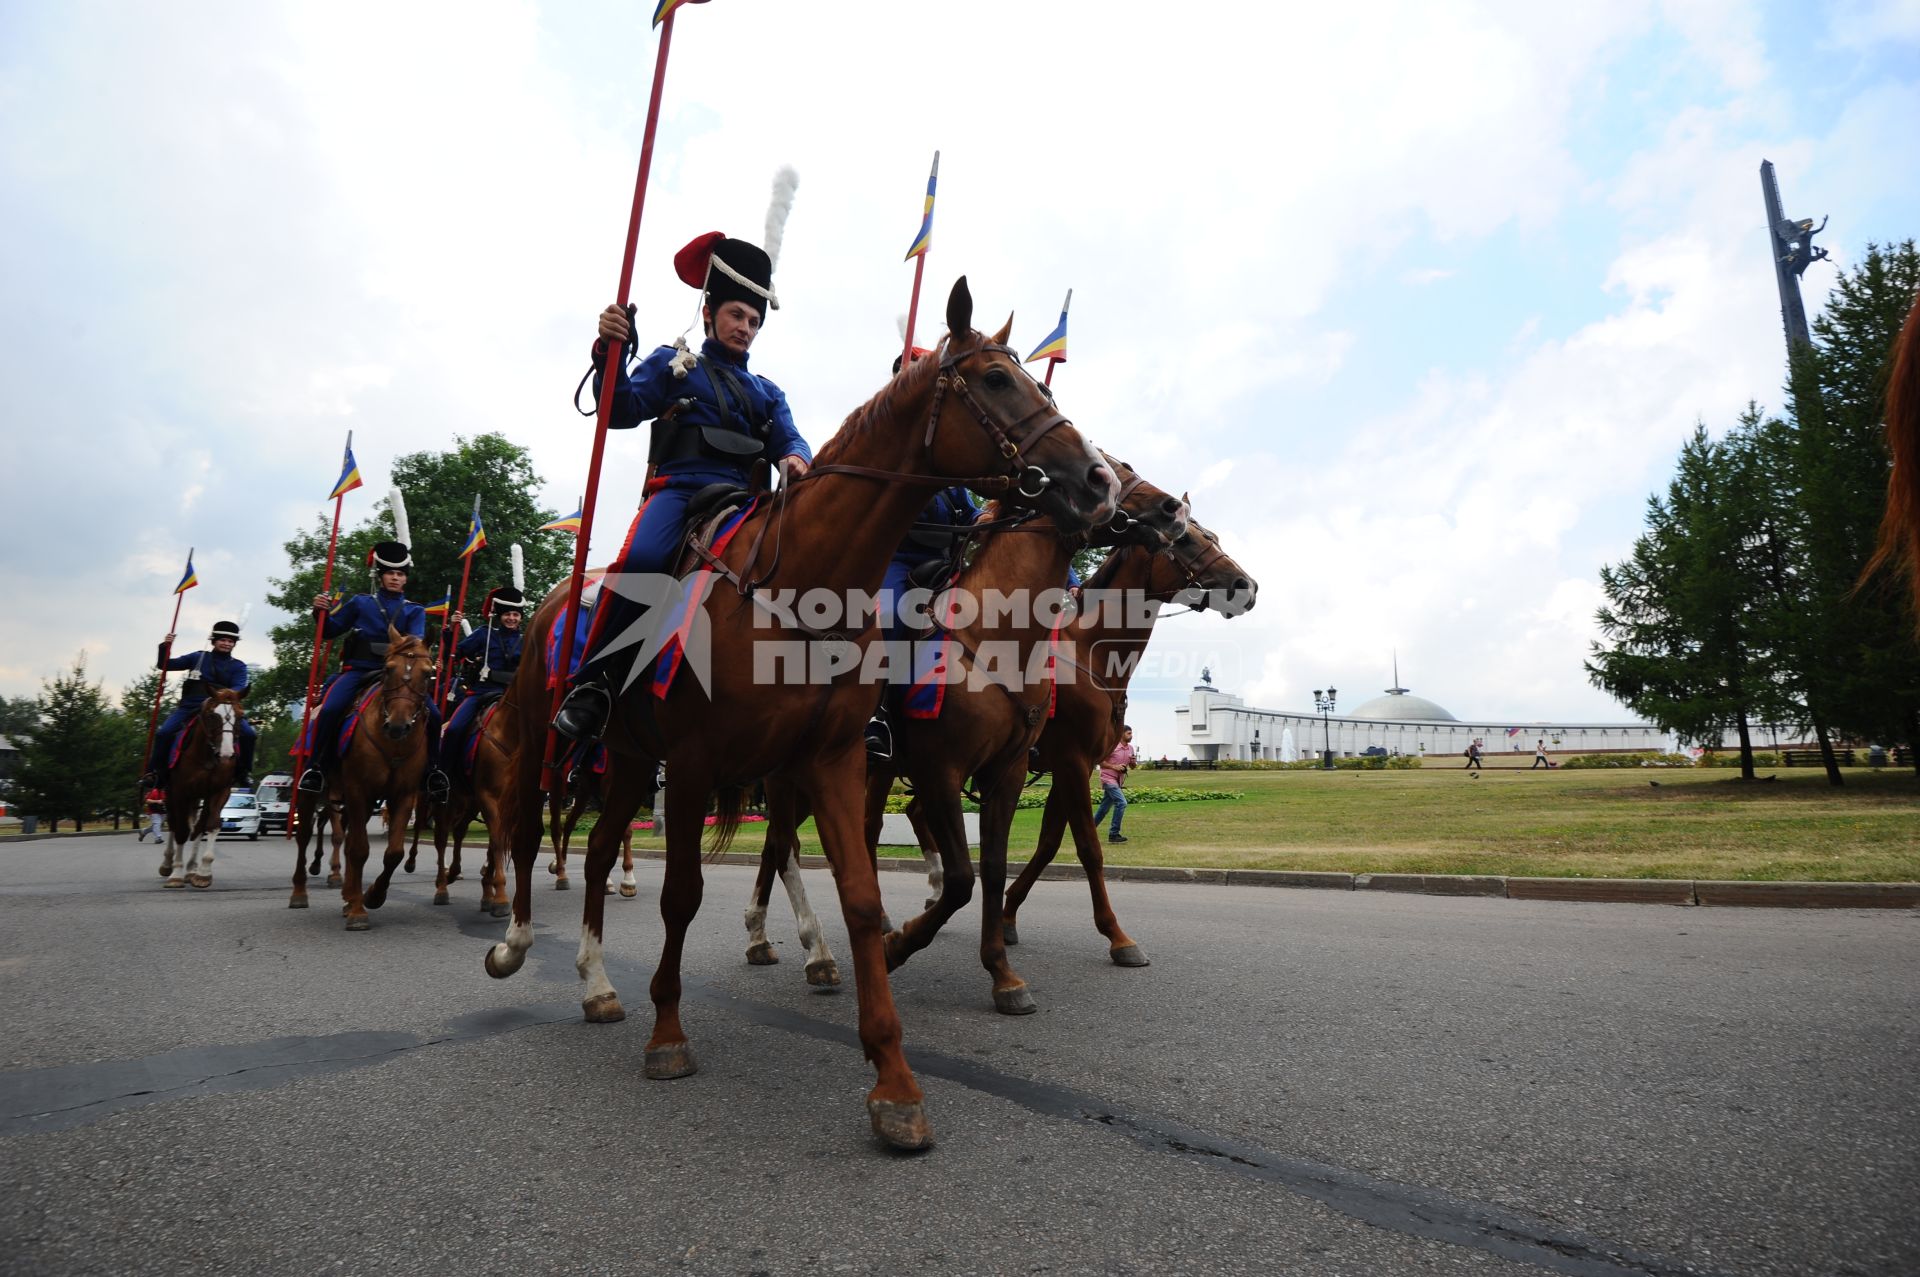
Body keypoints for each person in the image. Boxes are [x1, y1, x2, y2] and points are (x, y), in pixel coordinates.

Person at [552, 225, 812, 743]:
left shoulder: (768, 392)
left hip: (746, 505)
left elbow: (793, 441)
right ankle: (597, 681)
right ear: (711, 312)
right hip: (681, 494)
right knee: (644, 559)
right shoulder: (672, 367)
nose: (746, 328)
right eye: (738, 315)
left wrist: (796, 460)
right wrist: (611, 351)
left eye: (755, 321)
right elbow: (620, 410)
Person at [297, 536, 449, 802]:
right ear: (381, 576)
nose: (395, 578)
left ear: (406, 579)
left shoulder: (415, 611)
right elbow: (330, 631)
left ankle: (432, 771)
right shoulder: (359, 602)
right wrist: (320, 612)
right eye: (390, 573)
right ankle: (317, 768)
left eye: (400, 574)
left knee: (434, 716)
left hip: (398, 675)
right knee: (331, 709)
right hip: (359, 669)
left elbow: (414, 642)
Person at [141, 621, 256, 791]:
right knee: (164, 732)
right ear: (214, 641)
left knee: (249, 734)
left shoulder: (238, 666)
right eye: (222, 640)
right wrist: (166, 646)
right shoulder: (197, 658)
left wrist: (221, 695)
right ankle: (155, 773)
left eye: (230, 641)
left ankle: (243, 771)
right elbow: (165, 665)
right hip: (190, 707)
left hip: (222, 708)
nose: (226, 643)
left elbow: (238, 687)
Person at [440, 587, 525, 782]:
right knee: (453, 729)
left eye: (515, 614)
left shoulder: (526, 640)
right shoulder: (483, 634)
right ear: (499, 615)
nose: (511, 618)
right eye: (507, 614)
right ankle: (443, 774)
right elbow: (453, 656)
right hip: (482, 692)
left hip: (513, 696)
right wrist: (451, 630)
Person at [1092, 725, 1139, 843]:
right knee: (1122, 803)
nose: (1131, 736)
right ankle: (1114, 834)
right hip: (1108, 779)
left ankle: (1088, 830)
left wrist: (1133, 763)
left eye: (1131, 733)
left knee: (1104, 808)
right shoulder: (1111, 746)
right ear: (1122, 734)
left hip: (1118, 781)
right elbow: (1100, 761)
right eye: (1128, 733)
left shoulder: (1130, 748)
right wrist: (1115, 767)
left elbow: (1132, 766)